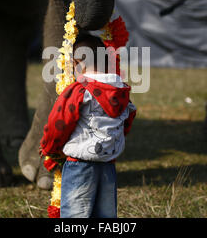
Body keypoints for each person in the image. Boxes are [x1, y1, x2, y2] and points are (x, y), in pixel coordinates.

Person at [39, 33, 136, 218]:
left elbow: (58, 123)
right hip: (108, 164)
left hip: (79, 167)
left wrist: (49, 148)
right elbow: (128, 119)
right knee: (106, 216)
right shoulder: (121, 91)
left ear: (78, 64)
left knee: (76, 216)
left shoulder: (79, 91)